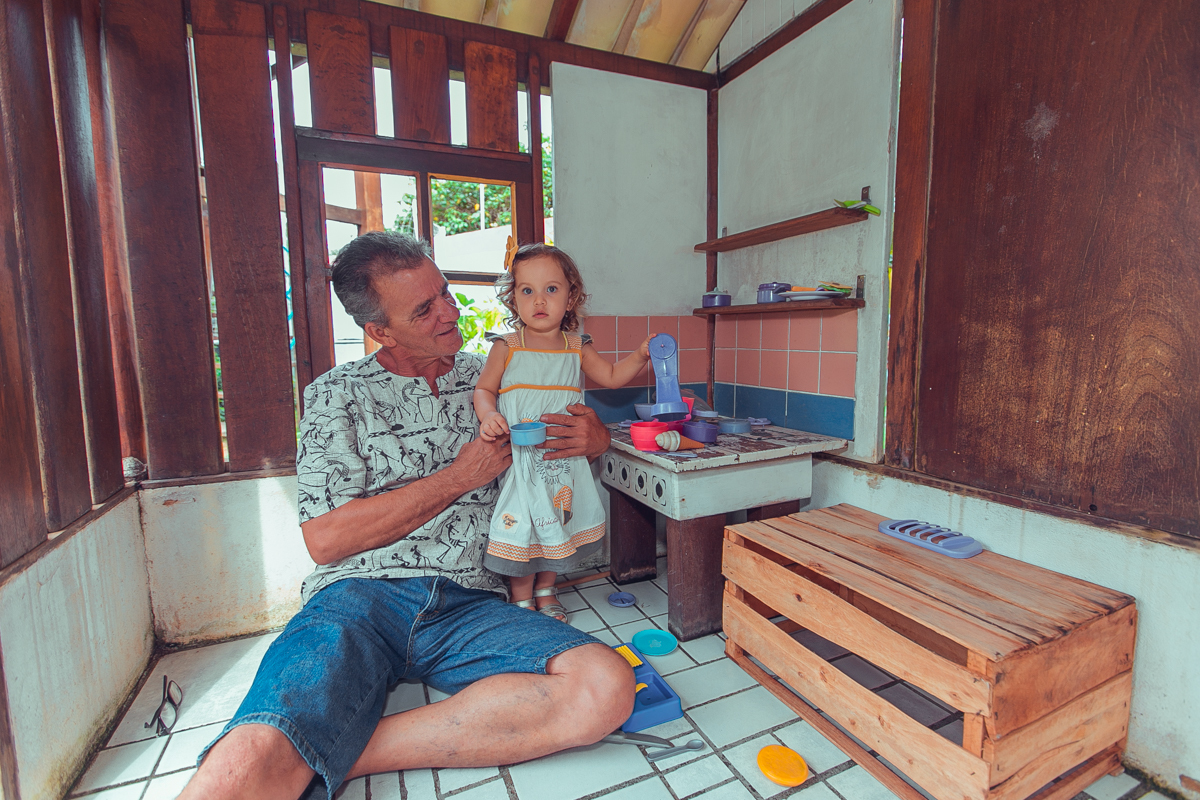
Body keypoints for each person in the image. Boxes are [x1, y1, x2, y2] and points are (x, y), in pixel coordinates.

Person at [180, 232, 633, 800]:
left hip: (474, 601)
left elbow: (572, 444)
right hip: (360, 598)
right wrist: (459, 477)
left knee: (604, 686)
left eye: (444, 292)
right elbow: (326, 538)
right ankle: (296, 749)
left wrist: (597, 438)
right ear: (379, 331)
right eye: (425, 308)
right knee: (261, 742)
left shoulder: (501, 370)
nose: (451, 311)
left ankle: (337, 750)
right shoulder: (337, 395)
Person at [474, 244, 650, 620]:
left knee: (558, 518)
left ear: (571, 298)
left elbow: (613, 377)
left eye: (551, 289)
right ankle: (521, 598)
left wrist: (640, 355)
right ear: (513, 299)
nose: (539, 300)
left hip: (562, 458)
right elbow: (484, 390)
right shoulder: (507, 346)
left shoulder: (577, 347)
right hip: (522, 460)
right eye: (527, 290)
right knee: (524, 521)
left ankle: (546, 589)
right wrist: (488, 414)